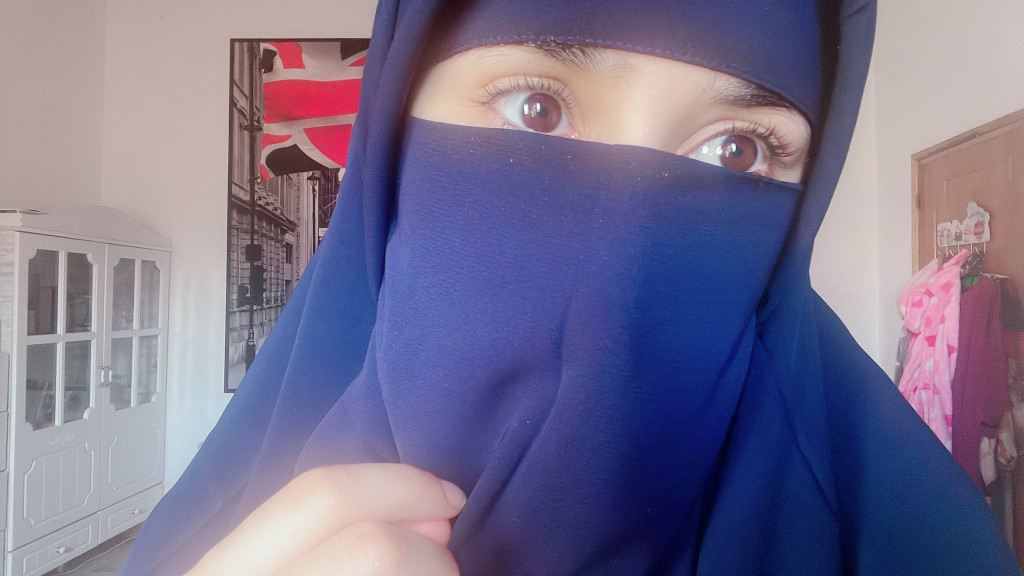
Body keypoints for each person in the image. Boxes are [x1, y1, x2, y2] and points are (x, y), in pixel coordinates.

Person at [121, 0, 1022, 574]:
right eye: (538, 109)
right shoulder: (225, 547)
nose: (625, 251)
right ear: (394, 133)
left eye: (736, 150)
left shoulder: (908, 539)